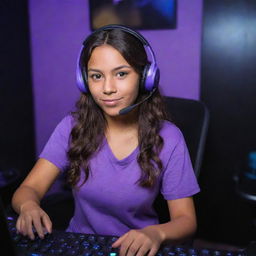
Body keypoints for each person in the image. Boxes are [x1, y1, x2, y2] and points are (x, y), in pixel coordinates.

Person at [11, 24, 200, 256]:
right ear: (84, 81)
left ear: (145, 78)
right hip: (79, 246)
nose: (108, 88)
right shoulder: (72, 127)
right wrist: (28, 206)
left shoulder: (169, 137)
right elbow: (28, 188)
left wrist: (155, 233)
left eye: (121, 73)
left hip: (136, 249)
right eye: (96, 76)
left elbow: (186, 220)